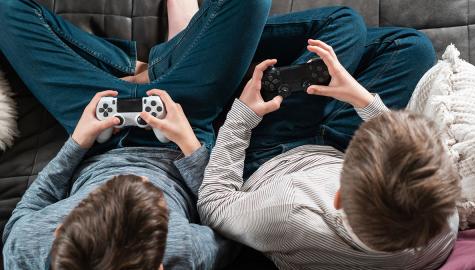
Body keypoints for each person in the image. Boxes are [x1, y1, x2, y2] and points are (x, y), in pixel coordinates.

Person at [0, 0, 272, 269]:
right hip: (178, 129)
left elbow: (27, 210)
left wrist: (78, 141)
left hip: (95, 132)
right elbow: (228, 223)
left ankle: (148, 67)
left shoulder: (27, 250)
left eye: (96, 198)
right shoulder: (184, 253)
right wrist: (189, 143)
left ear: (59, 233)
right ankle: (153, 67)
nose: (130, 176)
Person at [198, 9, 462, 270]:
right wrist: (359, 96)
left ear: (338, 198)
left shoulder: (290, 213)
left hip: (274, 156)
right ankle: (296, 77)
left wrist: (241, 117)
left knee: (346, 24)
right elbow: (401, 147)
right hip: (340, 150)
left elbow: (214, 204)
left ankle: (193, 56)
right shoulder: (440, 220)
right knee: (412, 48)